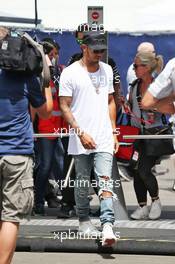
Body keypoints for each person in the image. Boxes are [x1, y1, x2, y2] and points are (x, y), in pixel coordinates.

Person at [59, 31, 119, 247]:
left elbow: (111, 101)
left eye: (103, 50)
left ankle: (107, 225)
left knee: (105, 179)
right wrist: (79, 131)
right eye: (96, 50)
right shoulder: (71, 73)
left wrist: (113, 131)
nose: (100, 54)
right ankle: (83, 219)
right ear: (84, 48)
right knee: (83, 181)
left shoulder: (108, 69)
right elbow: (64, 105)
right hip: (80, 136)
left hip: (103, 135)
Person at [0, 27, 53, 264]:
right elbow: (45, 112)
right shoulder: (25, 75)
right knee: (11, 217)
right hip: (17, 154)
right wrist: (47, 82)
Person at [127, 51, 165, 220]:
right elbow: (131, 106)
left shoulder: (158, 86)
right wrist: (125, 106)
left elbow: (170, 107)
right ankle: (142, 206)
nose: (134, 69)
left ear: (147, 67)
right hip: (137, 135)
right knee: (135, 170)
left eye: (136, 66)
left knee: (143, 169)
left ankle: (155, 201)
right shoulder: (134, 85)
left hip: (153, 135)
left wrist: (156, 108)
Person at [33, 38, 66, 214]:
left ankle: (66, 199)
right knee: (45, 166)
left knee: (61, 167)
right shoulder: (41, 75)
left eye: (55, 54)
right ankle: (38, 202)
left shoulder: (58, 74)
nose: (54, 58)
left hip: (59, 128)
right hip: (46, 129)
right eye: (51, 54)